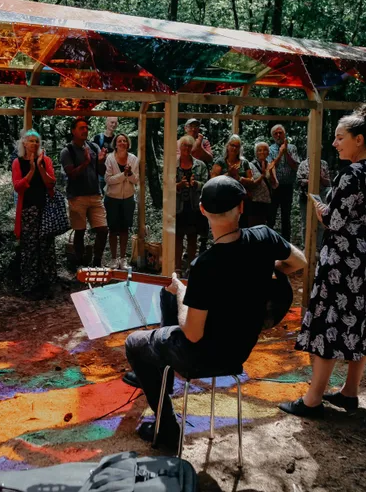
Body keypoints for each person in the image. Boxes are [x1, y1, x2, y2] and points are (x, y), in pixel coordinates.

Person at [125, 176, 307, 447]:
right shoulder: (265, 236)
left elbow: (193, 333)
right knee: (168, 294)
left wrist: (184, 293)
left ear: (202, 210)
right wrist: (265, 273)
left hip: (202, 357)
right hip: (238, 351)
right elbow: (299, 261)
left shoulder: (205, 265)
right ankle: (160, 370)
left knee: (134, 342)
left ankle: (167, 430)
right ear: (241, 207)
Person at [280, 104, 366, 418]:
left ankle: (313, 399)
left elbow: (335, 222)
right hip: (364, 255)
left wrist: (320, 211)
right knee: (360, 321)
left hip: (341, 257)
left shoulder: (351, 173)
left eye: (341, 138)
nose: (336, 144)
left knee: (330, 322)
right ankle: (350, 392)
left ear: (360, 140)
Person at [12, 130, 57, 299]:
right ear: (24, 143)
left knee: (46, 247)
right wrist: (31, 170)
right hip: (27, 210)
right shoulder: (17, 162)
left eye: (36, 141)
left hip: (45, 208)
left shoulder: (45, 160)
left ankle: (48, 284)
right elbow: (18, 186)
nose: (34, 144)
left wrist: (39, 166)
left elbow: (51, 183)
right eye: (31, 141)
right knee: (29, 248)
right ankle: (29, 286)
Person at [60, 117, 108, 267]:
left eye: (86, 127)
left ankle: (96, 263)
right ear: (73, 131)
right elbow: (71, 174)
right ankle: (80, 265)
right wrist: (86, 162)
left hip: (95, 195)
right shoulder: (67, 151)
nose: (85, 130)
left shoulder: (94, 147)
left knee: (103, 229)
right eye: (81, 128)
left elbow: (102, 172)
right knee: (80, 232)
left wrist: (100, 161)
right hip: (77, 197)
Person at [104, 133, 139, 269]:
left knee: (125, 229)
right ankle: (113, 259)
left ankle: (123, 259)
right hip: (112, 198)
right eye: (119, 141)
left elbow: (135, 180)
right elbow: (109, 180)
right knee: (113, 229)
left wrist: (129, 174)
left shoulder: (133, 159)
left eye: (124, 141)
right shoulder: (110, 158)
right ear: (115, 144)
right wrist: (123, 174)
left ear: (128, 144)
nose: (122, 143)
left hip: (128, 198)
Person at [175, 136, 209, 273]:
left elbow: (207, 184)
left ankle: (190, 267)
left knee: (192, 238)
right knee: (177, 238)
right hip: (177, 207)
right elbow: (165, 186)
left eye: (189, 146)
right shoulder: (172, 164)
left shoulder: (200, 165)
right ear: (180, 147)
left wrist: (197, 184)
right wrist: (179, 185)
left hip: (194, 207)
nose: (186, 149)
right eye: (184, 146)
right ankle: (177, 267)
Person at [211, 135, 253, 227]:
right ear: (227, 146)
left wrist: (238, 177)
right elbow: (212, 180)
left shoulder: (244, 163)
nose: (234, 148)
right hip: (224, 200)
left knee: (243, 226)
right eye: (232, 145)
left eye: (237, 146)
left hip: (242, 201)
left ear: (240, 149)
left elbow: (251, 181)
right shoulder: (220, 162)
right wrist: (228, 175)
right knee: (226, 226)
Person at [267, 124, 300, 241]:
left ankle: (286, 243)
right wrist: (280, 154)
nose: (278, 135)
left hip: (288, 187)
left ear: (284, 134)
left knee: (286, 216)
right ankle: (269, 241)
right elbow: (269, 167)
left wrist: (286, 152)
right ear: (272, 136)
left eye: (280, 132)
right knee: (271, 215)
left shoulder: (292, 148)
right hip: (274, 187)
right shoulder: (270, 149)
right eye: (275, 133)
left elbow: (295, 166)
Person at [296, 157, 331, 251]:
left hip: (321, 195)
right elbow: (298, 180)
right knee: (305, 222)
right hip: (305, 196)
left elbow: (328, 182)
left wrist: (320, 178)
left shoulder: (323, 163)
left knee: (321, 222)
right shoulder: (303, 164)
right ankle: (305, 246)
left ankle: (318, 247)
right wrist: (309, 180)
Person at [247, 142, 278, 227]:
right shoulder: (250, 165)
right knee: (254, 227)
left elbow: (274, 185)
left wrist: (271, 172)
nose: (262, 152)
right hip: (254, 201)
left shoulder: (270, 165)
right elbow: (250, 184)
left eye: (265, 150)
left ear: (268, 152)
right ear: (256, 153)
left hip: (267, 201)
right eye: (259, 150)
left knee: (266, 227)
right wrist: (262, 175)